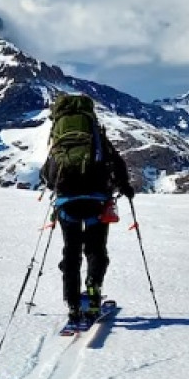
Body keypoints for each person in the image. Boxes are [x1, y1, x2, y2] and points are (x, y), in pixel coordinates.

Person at [39, 93, 135, 325]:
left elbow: (46, 173)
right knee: (95, 250)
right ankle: (93, 290)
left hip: (67, 203)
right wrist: (126, 188)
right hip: (96, 202)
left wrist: (56, 187)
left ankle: (72, 304)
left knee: (71, 252)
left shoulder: (59, 138)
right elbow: (117, 163)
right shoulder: (96, 136)